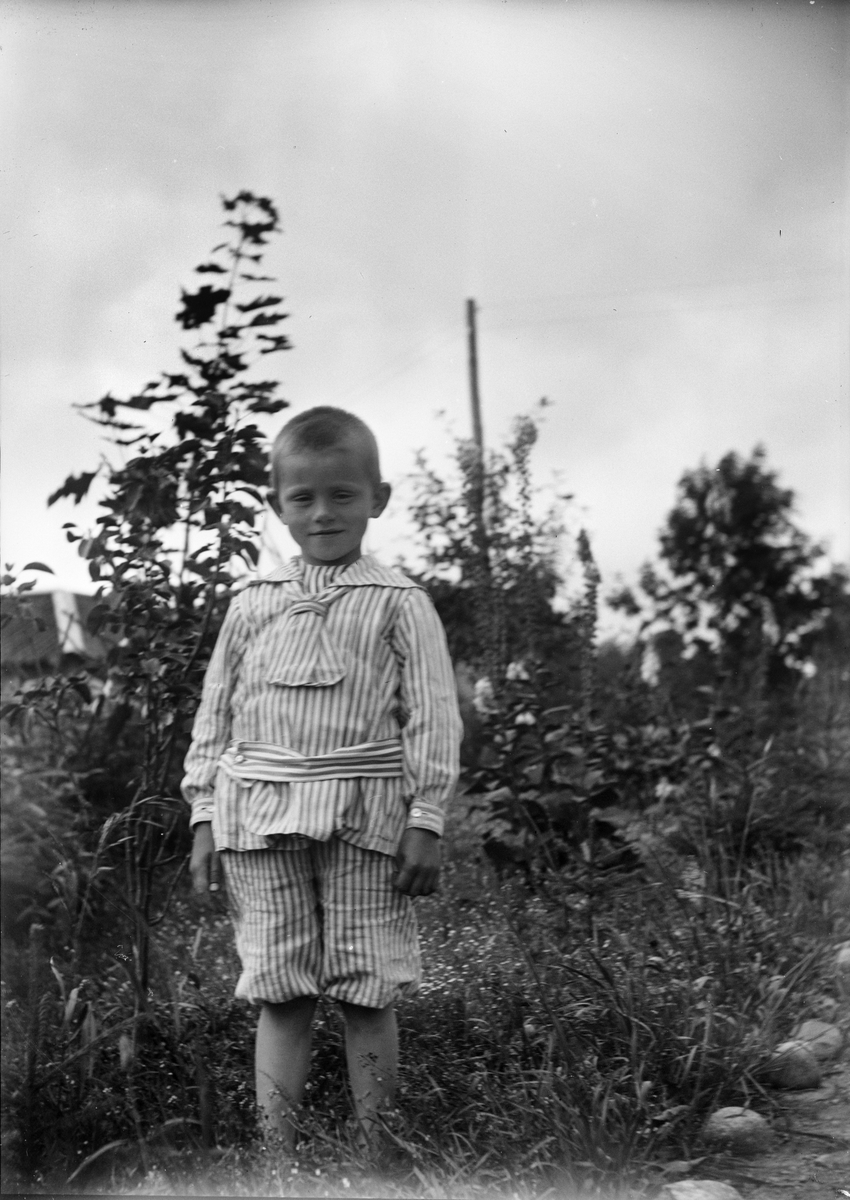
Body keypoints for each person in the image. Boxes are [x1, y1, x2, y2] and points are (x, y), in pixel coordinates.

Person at [183, 406, 462, 1157]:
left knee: (366, 989)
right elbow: (217, 711)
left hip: (365, 815)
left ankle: (377, 1157)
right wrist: (204, 815)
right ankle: (278, 1163)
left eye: (343, 495)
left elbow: (433, 717)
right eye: (302, 498)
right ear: (277, 505)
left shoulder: (401, 603)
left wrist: (426, 819)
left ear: (379, 498)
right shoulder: (252, 602)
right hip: (258, 815)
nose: (323, 513)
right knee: (282, 990)